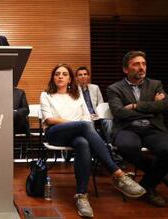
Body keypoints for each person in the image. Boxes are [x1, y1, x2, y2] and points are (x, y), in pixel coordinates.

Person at [41, 63, 145, 218]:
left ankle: (81, 196)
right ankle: (117, 173)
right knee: (84, 126)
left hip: (77, 134)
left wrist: (79, 125)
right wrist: (75, 124)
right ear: (53, 78)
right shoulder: (46, 95)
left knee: (82, 143)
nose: (60, 76)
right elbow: (49, 119)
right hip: (55, 133)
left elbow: (85, 117)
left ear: (70, 79)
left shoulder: (77, 96)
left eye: (64, 74)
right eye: (57, 74)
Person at [107, 50, 168, 207]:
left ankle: (148, 186)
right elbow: (119, 112)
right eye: (136, 64)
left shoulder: (156, 84)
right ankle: (158, 174)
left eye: (143, 64)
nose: (141, 67)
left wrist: (136, 106)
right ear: (126, 69)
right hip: (128, 128)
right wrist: (150, 108)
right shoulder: (114, 89)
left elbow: (164, 106)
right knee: (125, 147)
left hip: (153, 128)